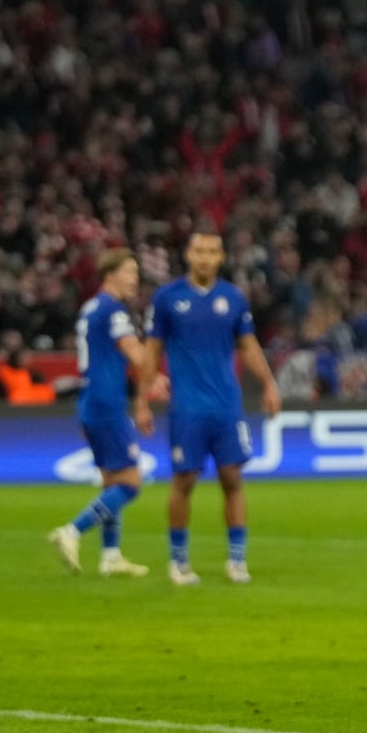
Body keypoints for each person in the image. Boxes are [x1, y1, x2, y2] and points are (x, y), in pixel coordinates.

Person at [140, 230, 281, 586]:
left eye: (212, 251)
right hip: (187, 406)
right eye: (198, 250)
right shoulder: (167, 298)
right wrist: (142, 397)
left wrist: (268, 383)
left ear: (221, 258)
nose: (204, 257)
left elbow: (247, 345)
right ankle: (179, 561)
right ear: (188, 255)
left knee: (232, 479)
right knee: (184, 480)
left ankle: (236, 561)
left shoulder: (233, 298)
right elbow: (152, 350)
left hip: (226, 405)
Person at [47, 249, 156, 578]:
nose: (135, 279)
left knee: (112, 482)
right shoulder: (113, 310)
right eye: (129, 272)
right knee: (131, 484)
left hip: (91, 401)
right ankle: (72, 531)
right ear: (110, 275)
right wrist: (157, 377)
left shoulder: (90, 308)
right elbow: (134, 352)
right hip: (107, 403)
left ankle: (111, 556)